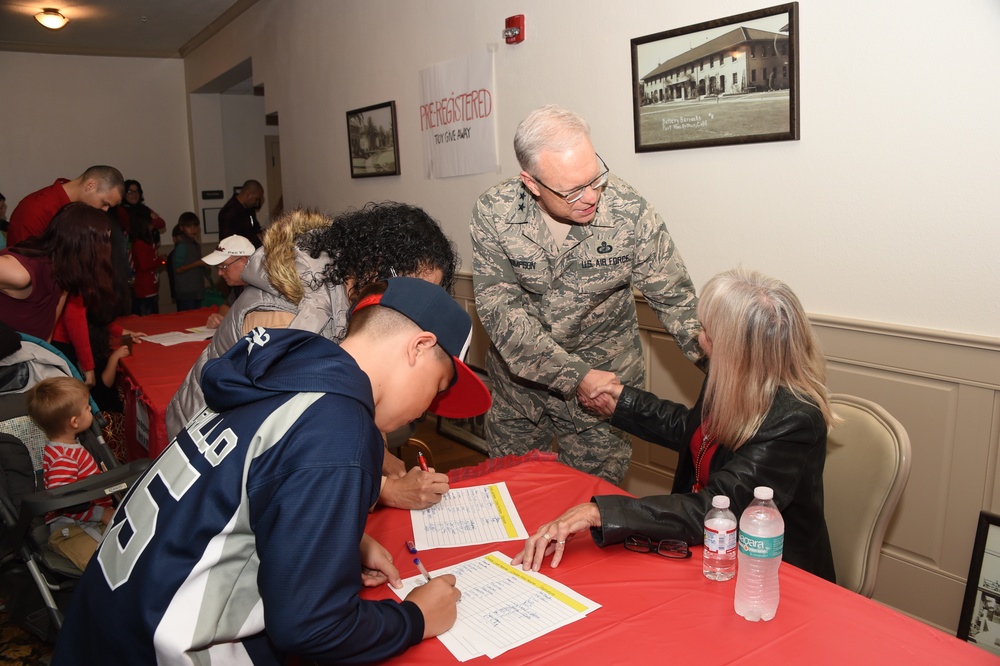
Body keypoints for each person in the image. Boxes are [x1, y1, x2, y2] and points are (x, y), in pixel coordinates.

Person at [53, 277, 493, 665]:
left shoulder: (290, 372)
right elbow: (312, 627)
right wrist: (416, 617)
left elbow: (244, 485)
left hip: (104, 621)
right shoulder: (337, 424)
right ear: (418, 347)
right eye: (437, 389)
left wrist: (342, 540)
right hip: (162, 648)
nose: (426, 409)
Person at [513, 267, 838, 582]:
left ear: (736, 352)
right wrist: (623, 402)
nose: (699, 337)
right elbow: (698, 433)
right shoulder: (732, 378)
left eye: (708, 332)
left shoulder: (794, 419)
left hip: (770, 573)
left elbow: (716, 506)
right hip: (712, 551)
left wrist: (598, 513)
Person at [166, 203, 458, 511]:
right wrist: (384, 490)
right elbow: (282, 448)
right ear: (378, 262)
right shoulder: (294, 312)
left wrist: (375, 451)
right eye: (413, 290)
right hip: (201, 474)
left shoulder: (346, 291)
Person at [472, 105, 703, 485]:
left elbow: (678, 304)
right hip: (521, 390)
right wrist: (575, 376)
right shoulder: (494, 212)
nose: (590, 197)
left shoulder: (629, 214)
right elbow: (501, 311)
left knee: (593, 508)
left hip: (602, 394)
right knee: (515, 496)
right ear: (531, 183)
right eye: (572, 190)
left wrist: (737, 376)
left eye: (595, 178)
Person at [26, 376, 114, 570]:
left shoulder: (70, 446)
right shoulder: (62, 459)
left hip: (87, 520)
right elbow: (65, 503)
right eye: (87, 408)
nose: (90, 409)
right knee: (103, 568)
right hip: (69, 529)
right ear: (74, 422)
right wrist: (101, 514)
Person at [0, 203, 114, 343]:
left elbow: (46, 333)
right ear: (83, 245)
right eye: (104, 243)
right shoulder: (21, 272)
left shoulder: (63, 273)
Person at [7, 165, 124, 245]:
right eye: (104, 203)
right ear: (90, 186)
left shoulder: (82, 210)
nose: (104, 210)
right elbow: (23, 264)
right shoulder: (35, 209)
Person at [201, 234, 254, 328]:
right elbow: (226, 307)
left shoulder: (267, 286)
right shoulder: (240, 283)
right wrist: (219, 318)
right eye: (218, 267)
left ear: (244, 261)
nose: (220, 273)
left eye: (224, 267)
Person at [129, 210, 165, 316]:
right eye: (150, 224)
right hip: (144, 287)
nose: (152, 227)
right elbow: (144, 265)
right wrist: (160, 260)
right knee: (147, 316)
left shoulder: (147, 242)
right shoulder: (139, 243)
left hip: (151, 285)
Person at [170, 212, 207, 311]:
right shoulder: (182, 245)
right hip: (186, 291)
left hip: (196, 289)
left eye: (195, 226)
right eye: (189, 226)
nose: (192, 229)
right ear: (182, 228)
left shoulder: (195, 244)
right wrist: (198, 263)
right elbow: (178, 269)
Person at [218, 179, 265, 248]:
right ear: (248, 194)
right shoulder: (229, 212)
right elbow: (228, 241)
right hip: (237, 254)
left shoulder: (249, 209)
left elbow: (255, 228)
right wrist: (256, 237)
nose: (256, 203)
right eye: (256, 199)